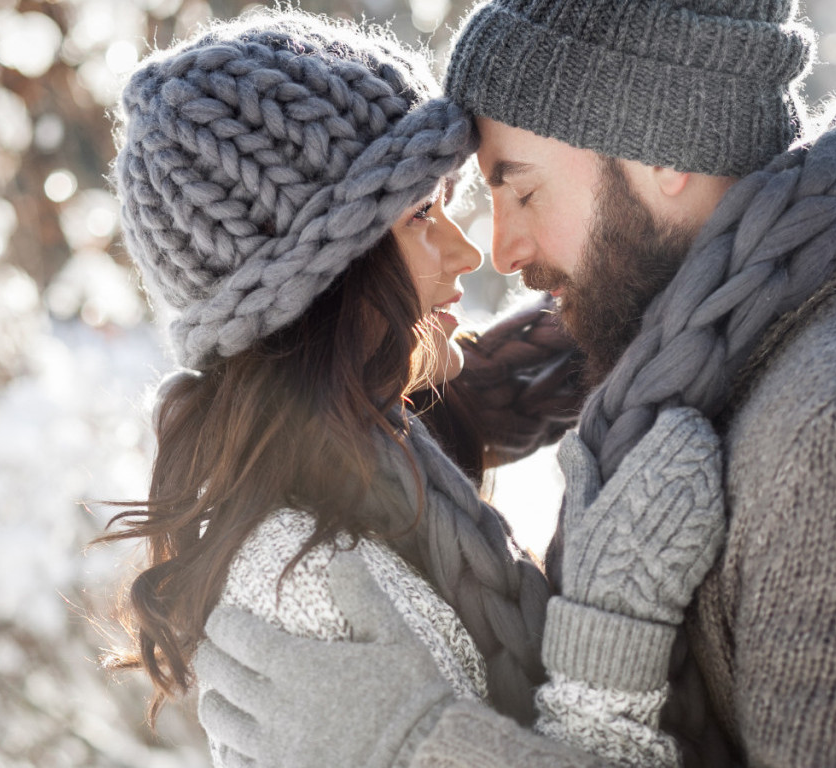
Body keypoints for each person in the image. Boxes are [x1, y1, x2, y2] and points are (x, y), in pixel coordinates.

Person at [199, 0, 836, 766]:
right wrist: (433, 414)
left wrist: (418, 746)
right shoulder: (692, 369)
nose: (503, 252)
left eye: (519, 189)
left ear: (662, 148)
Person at [103, 10, 727, 768]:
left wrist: (602, 337)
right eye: (423, 215)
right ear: (323, 278)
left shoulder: (366, 473)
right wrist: (614, 622)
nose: (468, 252)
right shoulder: (306, 579)